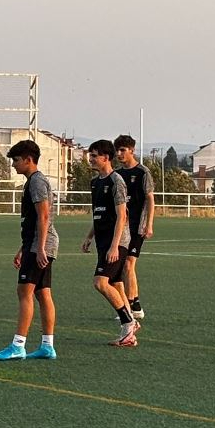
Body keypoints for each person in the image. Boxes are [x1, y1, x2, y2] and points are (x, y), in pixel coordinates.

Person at [0, 140, 58, 360]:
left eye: (16, 160)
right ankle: (47, 346)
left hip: (40, 245)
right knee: (42, 292)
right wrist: (23, 248)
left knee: (24, 292)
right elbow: (33, 220)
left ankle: (18, 345)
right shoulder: (33, 182)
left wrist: (38, 248)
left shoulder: (37, 182)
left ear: (29, 160)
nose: (13, 165)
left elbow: (44, 216)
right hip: (37, 244)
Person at [81, 139, 139, 347]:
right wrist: (90, 236)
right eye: (90, 154)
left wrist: (115, 245)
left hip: (118, 241)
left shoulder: (117, 181)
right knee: (114, 283)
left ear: (106, 157)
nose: (91, 158)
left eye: (94, 155)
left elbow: (121, 215)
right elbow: (98, 214)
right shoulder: (95, 182)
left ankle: (128, 323)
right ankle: (129, 328)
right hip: (103, 240)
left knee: (100, 282)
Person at [114, 135, 155, 319]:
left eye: (123, 150)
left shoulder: (142, 172)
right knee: (124, 266)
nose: (119, 153)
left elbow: (150, 199)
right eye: (118, 150)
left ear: (132, 150)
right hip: (122, 227)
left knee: (129, 264)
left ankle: (129, 308)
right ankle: (135, 305)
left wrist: (149, 224)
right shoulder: (117, 175)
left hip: (137, 226)